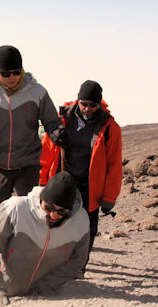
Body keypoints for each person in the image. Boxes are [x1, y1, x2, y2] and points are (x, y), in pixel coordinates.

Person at [0, 45, 68, 219]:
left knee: (28, 215)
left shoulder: (38, 92)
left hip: (28, 164)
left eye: (16, 72)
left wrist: (57, 132)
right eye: (6, 74)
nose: (12, 77)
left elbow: (52, 121)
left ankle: (24, 247)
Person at [39, 80, 122, 271]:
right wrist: (42, 182)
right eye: (84, 103)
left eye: (92, 105)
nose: (87, 108)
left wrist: (109, 198)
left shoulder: (110, 127)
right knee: (54, 222)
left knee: (87, 229)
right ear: (78, 100)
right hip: (62, 182)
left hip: (89, 186)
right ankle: (50, 263)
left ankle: (78, 267)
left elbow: (114, 166)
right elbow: (47, 152)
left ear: (99, 104)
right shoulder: (62, 119)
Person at [0, 171, 90, 305]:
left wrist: (49, 283)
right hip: (8, 284)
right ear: (41, 199)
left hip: (49, 290)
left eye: (62, 212)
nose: (54, 215)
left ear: (71, 210)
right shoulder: (15, 208)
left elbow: (78, 259)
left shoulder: (81, 221)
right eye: (49, 208)